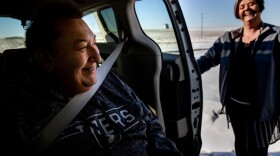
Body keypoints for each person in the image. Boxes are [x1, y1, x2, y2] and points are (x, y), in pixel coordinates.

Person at [0, 1, 182, 156]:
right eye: (81, 47)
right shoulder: (15, 112)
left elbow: (151, 124)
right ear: (47, 59)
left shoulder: (111, 81)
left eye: (94, 43)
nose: (97, 57)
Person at [196, 0, 280, 155]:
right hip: (235, 106)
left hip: (262, 108)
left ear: (259, 6)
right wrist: (185, 70)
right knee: (241, 145)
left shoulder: (276, 35)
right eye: (242, 6)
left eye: (251, 3)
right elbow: (207, 59)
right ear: (237, 13)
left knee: (258, 149)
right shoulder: (228, 39)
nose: (246, 8)